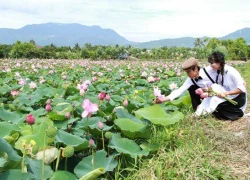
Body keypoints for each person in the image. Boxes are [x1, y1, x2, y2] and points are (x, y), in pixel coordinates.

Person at [195, 51, 247, 120]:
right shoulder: (219, 72)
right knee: (214, 95)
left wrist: (226, 93)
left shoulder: (231, 71)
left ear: (219, 62)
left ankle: (238, 113)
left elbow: (242, 89)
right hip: (230, 96)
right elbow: (218, 86)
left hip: (238, 98)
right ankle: (202, 110)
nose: (210, 65)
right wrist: (207, 92)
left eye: (212, 63)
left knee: (217, 102)